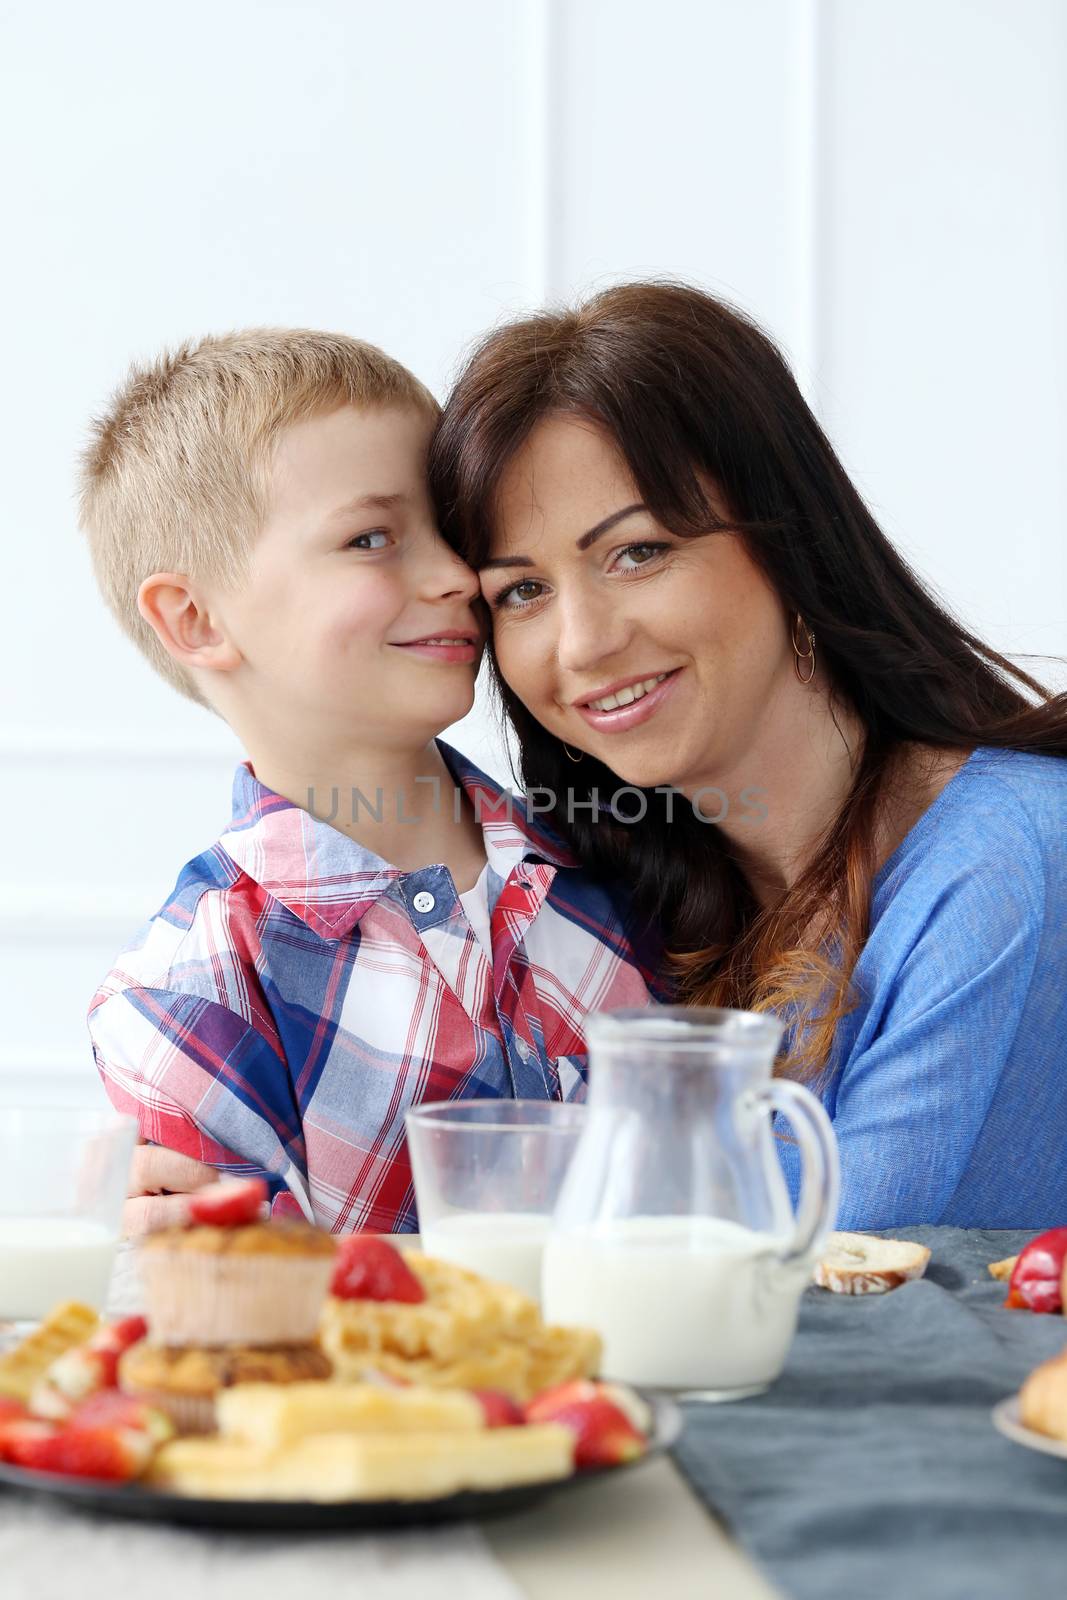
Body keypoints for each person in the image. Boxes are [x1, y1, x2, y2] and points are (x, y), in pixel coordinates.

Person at [429, 279, 1067, 1231]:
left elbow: (841, 1285)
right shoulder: (612, 891)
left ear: (788, 544)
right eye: (521, 591)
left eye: (637, 552)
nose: (581, 645)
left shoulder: (1007, 859)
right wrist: (233, 1180)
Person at [80, 328, 656, 1235]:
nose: (456, 575)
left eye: (449, 530)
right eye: (372, 537)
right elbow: (246, 1331)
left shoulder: (619, 851)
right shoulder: (191, 994)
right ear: (193, 618)